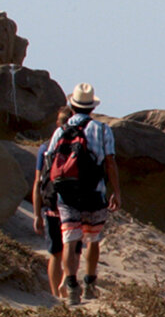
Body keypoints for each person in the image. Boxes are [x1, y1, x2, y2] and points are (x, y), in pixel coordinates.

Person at [41, 83, 121, 305]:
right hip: (94, 192)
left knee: (70, 239)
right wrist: (116, 192)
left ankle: (71, 285)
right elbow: (110, 162)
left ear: (72, 106)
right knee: (93, 239)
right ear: (92, 108)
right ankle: (89, 283)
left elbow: (50, 165)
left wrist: (48, 197)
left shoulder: (60, 131)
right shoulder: (103, 130)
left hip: (66, 194)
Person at [31, 106, 72, 300]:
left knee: (55, 253)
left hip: (50, 205)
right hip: (71, 205)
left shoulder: (45, 148)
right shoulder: (77, 145)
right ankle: (66, 287)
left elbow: (38, 182)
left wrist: (37, 214)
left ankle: (55, 294)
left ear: (57, 123)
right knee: (71, 250)